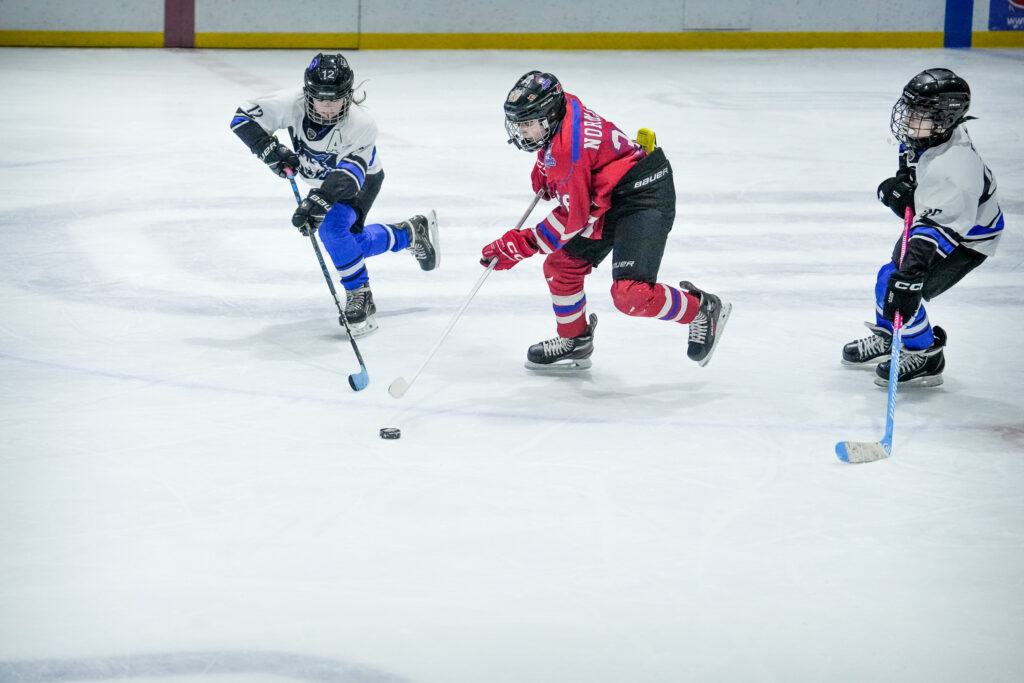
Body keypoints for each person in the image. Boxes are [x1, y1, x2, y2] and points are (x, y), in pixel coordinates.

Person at [480, 71, 730, 371]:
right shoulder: (565, 106)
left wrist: (522, 244)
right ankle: (575, 341)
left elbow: (572, 219)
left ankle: (702, 310)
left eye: (528, 124)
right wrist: (547, 169)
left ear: (548, 114)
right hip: (610, 193)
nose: (523, 133)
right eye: (519, 125)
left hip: (643, 196)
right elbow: (578, 161)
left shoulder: (567, 153)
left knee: (631, 295)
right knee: (562, 267)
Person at [230, 53, 439, 338]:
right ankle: (409, 233)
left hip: (361, 181)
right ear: (307, 94)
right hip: (324, 181)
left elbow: (349, 176)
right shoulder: (292, 103)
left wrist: (320, 199)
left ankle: (360, 294)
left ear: (348, 96)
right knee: (349, 244)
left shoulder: (361, 124)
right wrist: (269, 150)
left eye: (336, 99)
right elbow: (242, 118)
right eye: (320, 99)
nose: (328, 107)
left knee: (331, 228)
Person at [842, 68, 1004, 387]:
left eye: (919, 112)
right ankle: (893, 337)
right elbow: (916, 171)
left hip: (965, 237)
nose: (907, 117)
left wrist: (913, 276)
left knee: (901, 285)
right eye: (910, 107)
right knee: (888, 278)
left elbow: (938, 229)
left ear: (944, 118)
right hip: (938, 218)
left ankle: (926, 353)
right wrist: (907, 188)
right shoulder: (928, 136)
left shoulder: (955, 169)